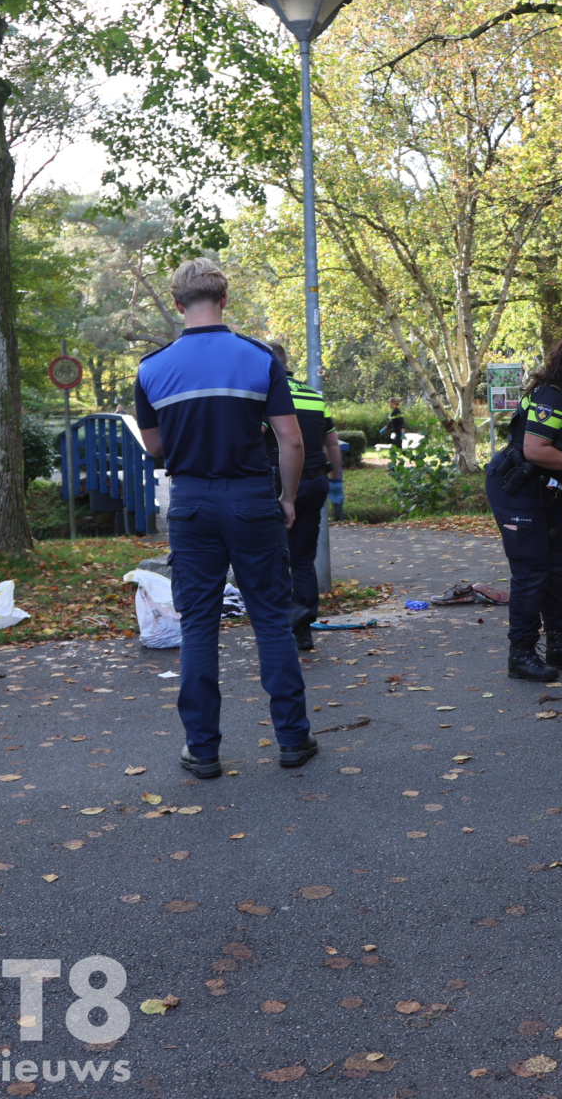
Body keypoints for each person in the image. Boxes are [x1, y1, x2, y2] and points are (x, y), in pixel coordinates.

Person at [135, 258, 316, 779]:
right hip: (252, 498)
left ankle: (204, 749)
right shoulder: (258, 358)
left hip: (191, 503)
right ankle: (292, 739)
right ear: (224, 298)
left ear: (176, 303)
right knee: (271, 621)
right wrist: (286, 498)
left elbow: (155, 446)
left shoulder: (152, 368)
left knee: (198, 627)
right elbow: (291, 438)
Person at [484, 333, 562, 681]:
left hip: (553, 490)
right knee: (531, 571)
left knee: (556, 569)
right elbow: (536, 450)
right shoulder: (550, 396)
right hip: (518, 487)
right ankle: (521, 653)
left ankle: (559, 644)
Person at [267, 342, 345, 652]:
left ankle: (276, 625)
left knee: (271, 556)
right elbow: (333, 443)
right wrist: (336, 480)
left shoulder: (266, 395)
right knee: (302, 559)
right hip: (314, 484)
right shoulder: (314, 396)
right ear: (287, 363)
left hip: (276, 483)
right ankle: (303, 629)